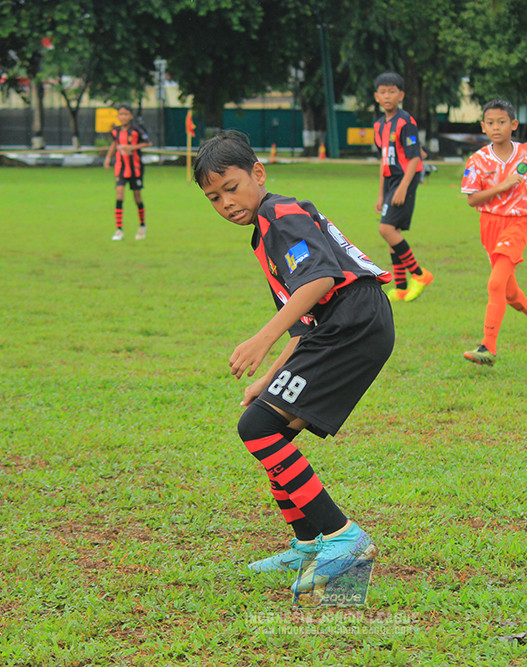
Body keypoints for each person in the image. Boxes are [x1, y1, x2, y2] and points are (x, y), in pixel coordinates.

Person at [193, 130, 392, 596]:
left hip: (353, 320)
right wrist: (269, 377)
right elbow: (304, 318)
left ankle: (344, 539)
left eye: (232, 187)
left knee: (256, 428)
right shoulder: (265, 232)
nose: (225, 203)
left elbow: (321, 280)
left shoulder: (279, 213)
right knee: (263, 422)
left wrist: (262, 339)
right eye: (213, 197)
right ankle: (308, 542)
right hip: (341, 324)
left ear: (258, 174)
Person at [459, 98, 527, 366]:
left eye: (502, 122)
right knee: (509, 293)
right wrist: (501, 187)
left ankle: (487, 347)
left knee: (495, 284)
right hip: (489, 225)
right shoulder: (477, 160)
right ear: (483, 126)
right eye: (490, 123)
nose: (496, 127)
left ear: (513, 124)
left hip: (518, 223)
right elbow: (472, 199)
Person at [373, 72, 433, 302]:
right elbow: (383, 160)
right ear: (376, 96)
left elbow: (416, 157)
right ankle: (401, 287)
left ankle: (420, 274)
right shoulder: (379, 125)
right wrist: (381, 193)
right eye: (383, 92)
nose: (387, 96)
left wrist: (403, 186)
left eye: (392, 91)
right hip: (391, 181)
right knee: (392, 232)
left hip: (405, 179)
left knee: (386, 230)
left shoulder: (406, 122)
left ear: (401, 95)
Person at [103, 103, 151, 240]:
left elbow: (148, 143)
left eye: (125, 114)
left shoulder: (137, 129)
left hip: (135, 169)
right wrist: (108, 158)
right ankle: (119, 229)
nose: (123, 117)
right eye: (121, 114)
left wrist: (131, 148)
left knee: (137, 196)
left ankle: (142, 225)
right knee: (119, 194)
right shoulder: (115, 131)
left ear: (130, 115)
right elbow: (114, 144)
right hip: (120, 168)